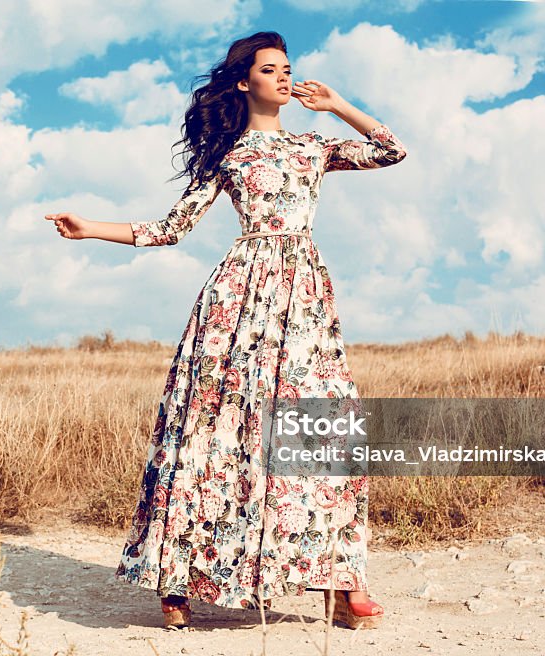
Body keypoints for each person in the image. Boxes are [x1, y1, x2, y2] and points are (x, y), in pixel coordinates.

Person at [45, 31, 407, 630]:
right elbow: (169, 227)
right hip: (238, 301)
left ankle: (342, 583)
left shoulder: (314, 146)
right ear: (245, 83)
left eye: (288, 68)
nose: (285, 78)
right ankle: (178, 575)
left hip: (306, 301)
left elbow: (393, 150)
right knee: (214, 433)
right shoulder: (228, 155)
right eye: (271, 70)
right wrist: (90, 229)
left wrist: (339, 105)